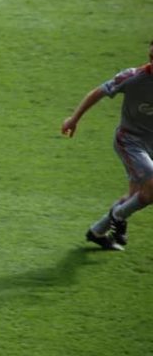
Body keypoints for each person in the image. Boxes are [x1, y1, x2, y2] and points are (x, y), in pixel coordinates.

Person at [62, 40, 153, 251]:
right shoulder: (133, 77)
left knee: (135, 197)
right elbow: (98, 92)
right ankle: (118, 216)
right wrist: (73, 119)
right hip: (129, 142)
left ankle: (97, 231)